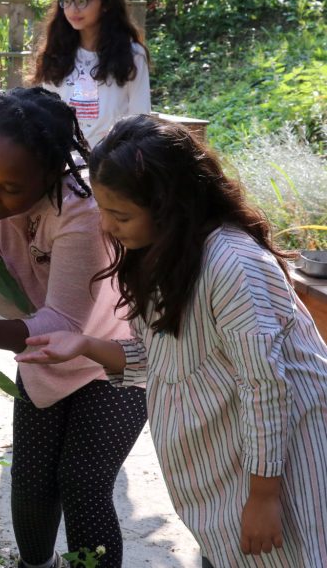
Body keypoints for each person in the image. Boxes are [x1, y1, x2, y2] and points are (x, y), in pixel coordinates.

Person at [18, 115, 327, 568]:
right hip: (231, 473)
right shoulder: (164, 256)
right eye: (103, 210)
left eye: (119, 214)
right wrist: (82, 344)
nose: (106, 226)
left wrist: (264, 496)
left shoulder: (232, 265)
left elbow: (266, 388)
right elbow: (162, 360)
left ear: (169, 206)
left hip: (281, 470)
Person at [0, 87, 147, 568]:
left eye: (11, 187)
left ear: (52, 175)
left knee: (83, 483)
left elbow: (62, 324)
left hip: (114, 353)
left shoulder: (81, 210)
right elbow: (12, 306)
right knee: (30, 481)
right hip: (42, 356)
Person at [31, 0, 150, 148]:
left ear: (106, 3)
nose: (73, 9)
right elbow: (47, 112)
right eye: (66, 1)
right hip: (63, 159)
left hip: (113, 160)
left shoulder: (132, 55)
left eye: (82, 1)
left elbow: (140, 117)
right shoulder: (55, 51)